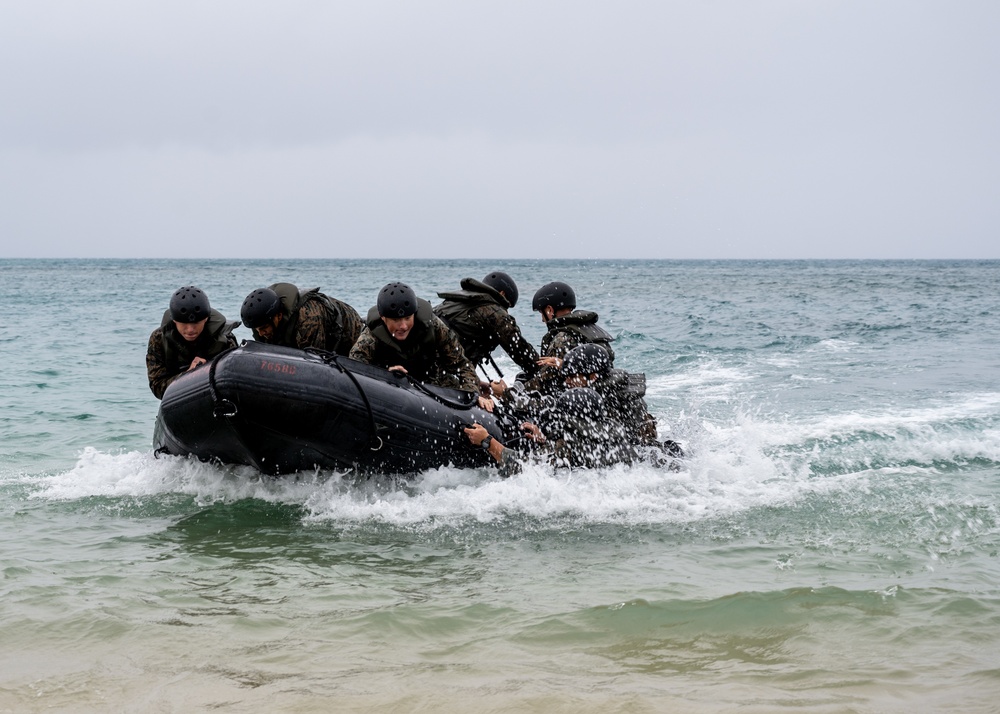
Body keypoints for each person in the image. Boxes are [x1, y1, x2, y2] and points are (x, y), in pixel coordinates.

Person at [349, 282, 493, 410]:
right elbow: (356, 370)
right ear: (382, 317)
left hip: (432, 382)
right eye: (396, 320)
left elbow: (462, 365)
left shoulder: (434, 326)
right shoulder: (370, 336)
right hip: (389, 387)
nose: (403, 326)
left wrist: (473, 394)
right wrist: (385, 374)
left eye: (407, 318)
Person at [433, 271, 540, 381]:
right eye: (507, 306)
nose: (506, 311)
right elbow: (519, 348)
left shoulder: (454, 301)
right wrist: (542, 369)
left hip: (424, 361)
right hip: (439, 370)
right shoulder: (493, 311)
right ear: (502, 294)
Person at [520, 281, 616, 396]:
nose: (542, 320)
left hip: (579, 400)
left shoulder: (562, 338)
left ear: (550, 310)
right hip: (600, 394)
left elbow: (544, 382)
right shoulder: (588, 329)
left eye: (542, 313)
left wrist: (510, 394)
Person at [146, 285, 239, 399]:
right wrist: (188, 375)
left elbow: (234, 380)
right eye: (184, 323)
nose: (190, 330)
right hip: (179, 400)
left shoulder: (225, 338)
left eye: (196, 323)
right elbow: (157, 387)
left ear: (206, 319)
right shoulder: (159, 339)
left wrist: (207, 371)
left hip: (214, 398)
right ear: (174, 320)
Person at [561, 343, 661, 447]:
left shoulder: (608, 401)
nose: (567, 381)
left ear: (593, 376)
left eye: (572, 376)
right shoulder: (610, 389)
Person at [240, 282, 362, 355]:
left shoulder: (308, 318)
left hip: (348, 331)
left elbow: (314, 363)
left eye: (264, 328)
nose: (260, 333)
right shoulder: (261, 320)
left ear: (278, 316)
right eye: (257, 329)